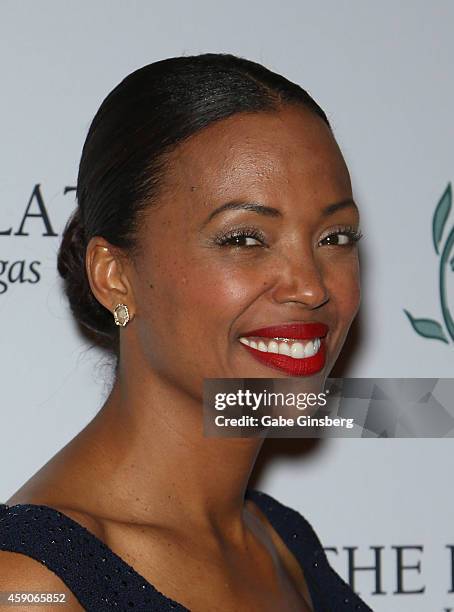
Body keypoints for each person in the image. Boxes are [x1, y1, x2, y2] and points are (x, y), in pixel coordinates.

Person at [0, 53, 371, 611]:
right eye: (245, 238)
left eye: (335, 237)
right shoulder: (32, 585)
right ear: (115, 276)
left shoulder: (283, 539)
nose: (312, 286)